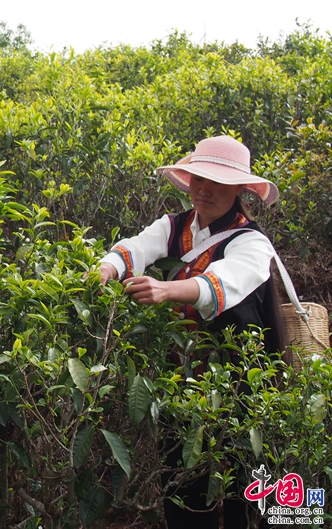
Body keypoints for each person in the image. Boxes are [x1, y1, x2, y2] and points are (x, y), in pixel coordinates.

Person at [96, 135, 284, 529]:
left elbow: (222, 283)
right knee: (180, 481)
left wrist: (165, 289)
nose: (205, 190)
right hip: (181, 380)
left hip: (240, 384)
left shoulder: (252, 243)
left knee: (246, 487)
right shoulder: (175, 225)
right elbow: (136, 246)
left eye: (218, 182)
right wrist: (108, 267)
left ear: (240, 189)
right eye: (199, 178)